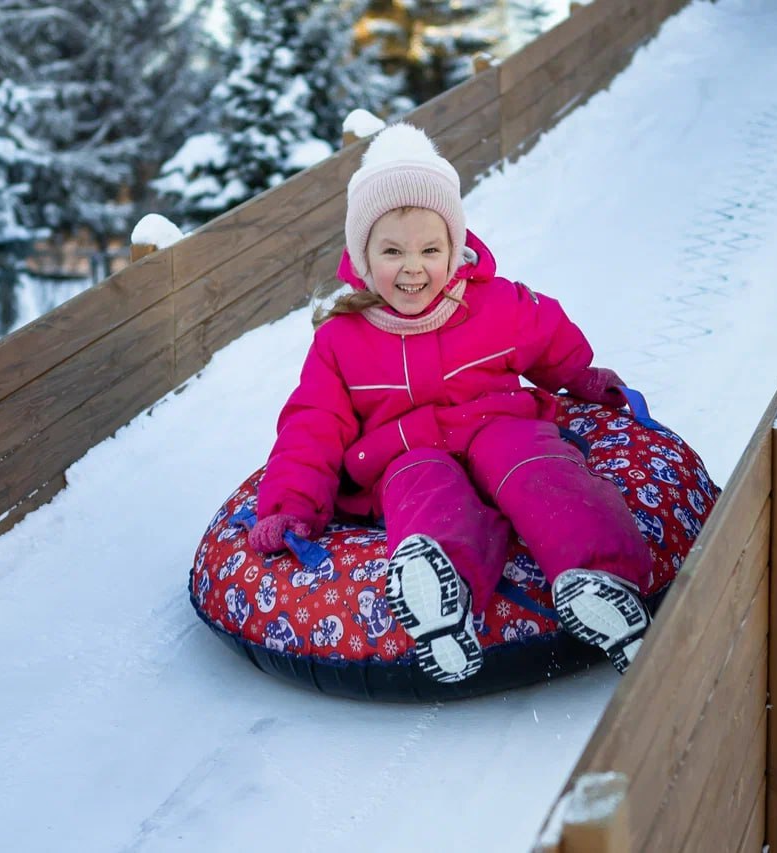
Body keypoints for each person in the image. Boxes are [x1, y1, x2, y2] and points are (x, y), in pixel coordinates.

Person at [248, 123, 655, 684]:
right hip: (406, 452)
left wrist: (581, 377)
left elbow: (550, 337)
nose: (413, 267)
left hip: (497, 426)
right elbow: (311, 426)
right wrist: (290, 505)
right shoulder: (341, 341)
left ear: (455, 248)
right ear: (362, 256)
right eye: (392, 251)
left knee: (536, 468)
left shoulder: (495, 304)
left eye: (430, 250)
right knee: (420, 489)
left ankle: (602, 582)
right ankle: (442, 597)